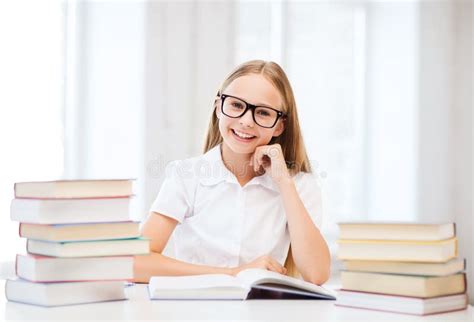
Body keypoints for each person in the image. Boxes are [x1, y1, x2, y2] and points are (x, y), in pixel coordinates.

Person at [133, 60, 330, 285]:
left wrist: (284, 182)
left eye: (263, 112)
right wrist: (234, 273)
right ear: (218, 107)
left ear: (279, 126)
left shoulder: (300, 185)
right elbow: (136, 263)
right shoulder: (186, 176)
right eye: (237, 105)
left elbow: (317, 275)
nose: (246, 121)